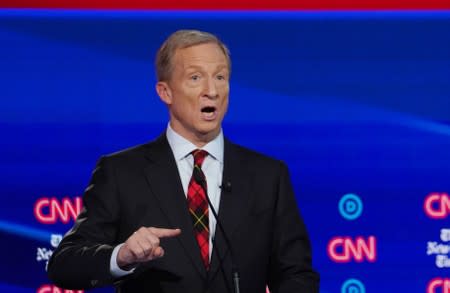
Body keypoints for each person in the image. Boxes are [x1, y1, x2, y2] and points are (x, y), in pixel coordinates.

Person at [47, 29, 319, 293]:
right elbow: (64, 264)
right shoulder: (121, 172)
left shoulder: (268, 176)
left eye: (221, 77)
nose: (211, 90)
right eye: (196, 78)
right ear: (165, 92)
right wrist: (121, 256)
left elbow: (296, 275)